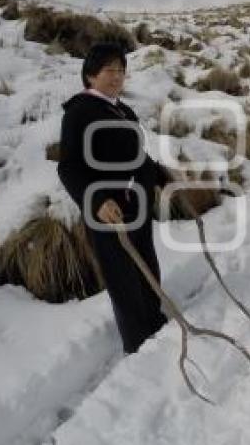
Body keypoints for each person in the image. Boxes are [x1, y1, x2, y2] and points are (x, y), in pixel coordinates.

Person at [58, 43, 170, 354]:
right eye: (109, 70)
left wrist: (161, 174)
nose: (117, 76)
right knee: (123, 278)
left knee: (146, 265)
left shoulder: (123, 110)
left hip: (137, 206)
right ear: (90, 75)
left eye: (121, 70)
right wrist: (95, 202)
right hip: (108, 212)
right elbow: (69, 167)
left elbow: (136, 156)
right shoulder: (80, 111)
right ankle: (139, 343)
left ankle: (155, 324)